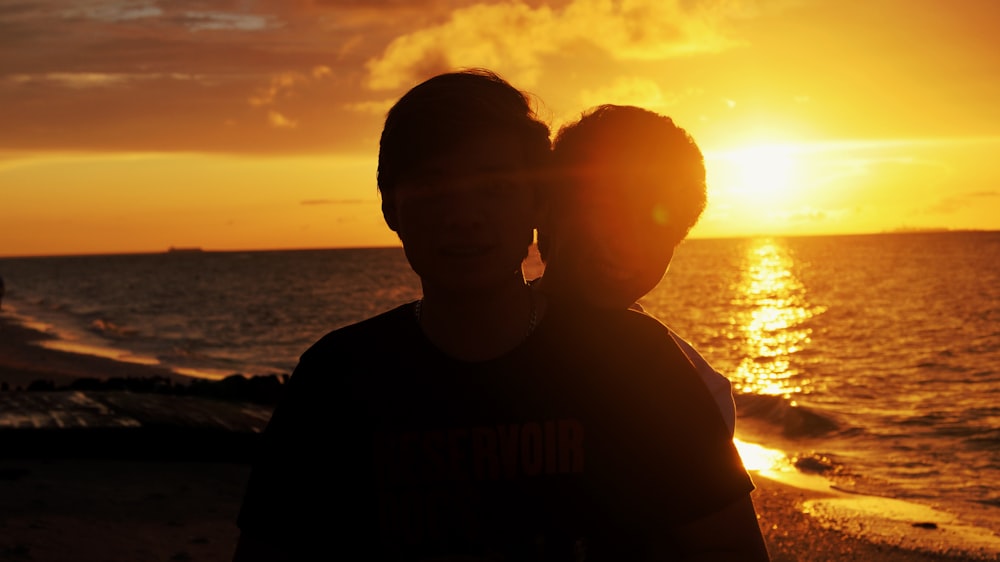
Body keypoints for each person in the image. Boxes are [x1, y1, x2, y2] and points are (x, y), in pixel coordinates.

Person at [232, 69, 769, 561]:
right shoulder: (336, 379)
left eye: (494, 188)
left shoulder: (642, 366)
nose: (464, 217)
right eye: (434, 187)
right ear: (391, 206)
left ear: (539, 203)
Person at [534, 104, 736, 435]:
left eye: (657, 223)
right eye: (606, 210)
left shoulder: (693, 389)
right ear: (550, 209)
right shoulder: (475, 345)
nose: (627, 242)